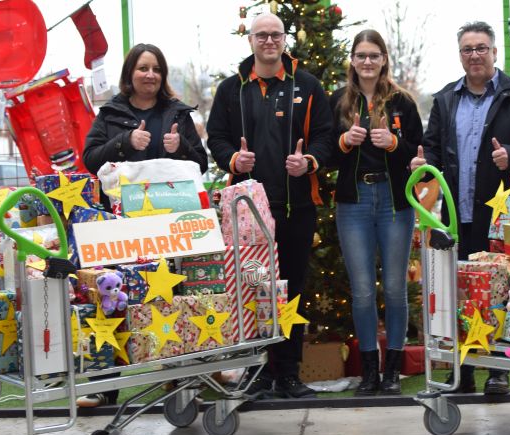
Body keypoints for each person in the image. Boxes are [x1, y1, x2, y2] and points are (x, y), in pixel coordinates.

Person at [410, 21, 510, 395]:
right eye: (467, 49)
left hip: (503, 217)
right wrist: (422, 165)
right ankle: (464, 371)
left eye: (481, 48)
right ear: (460, 55)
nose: (474, 55)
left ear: (494, 52)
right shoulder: (444, 99)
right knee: (461, 294)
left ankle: (499, 371)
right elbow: (432, 149)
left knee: (505, 294)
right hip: (458, 216)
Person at [207, 13, 333, 399]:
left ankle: (289, 374)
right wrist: (233, 160)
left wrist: (308, 160)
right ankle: (260, 370)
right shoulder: (232, 90)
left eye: (275, 35)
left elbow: (327, 137)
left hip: (295, 209)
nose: (268, 41)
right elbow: (216, 138)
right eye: (261, 35)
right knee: (253, 290)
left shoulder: (307, 86)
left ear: (284, 39)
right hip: (247, 212)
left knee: (291, 290)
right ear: (250, 40)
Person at [77, 43, 207, 408]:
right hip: (122, 229)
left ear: (162, 76)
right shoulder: (111, 113)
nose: (150, 75)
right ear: (130, 73)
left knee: (171, 299)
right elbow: (89, 159)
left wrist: (181, 146)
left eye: (156, 69)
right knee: (112, 298)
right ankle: (104, 387)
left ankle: (177, 381)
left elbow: (202, 165)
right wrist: (123, 142)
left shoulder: (179, 114)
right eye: (143, 68)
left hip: (170, 230)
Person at [330, 30, 422, 395]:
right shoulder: (337, 102)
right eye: (361, 55)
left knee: (396, 288)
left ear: (384, 59)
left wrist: (395, 143)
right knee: (364, 290)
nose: (367, 61)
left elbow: (418, 152)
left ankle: (393, 371)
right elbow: (324, 153)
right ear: (352, 60)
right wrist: (343, 142)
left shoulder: (402, 102)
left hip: (394, 202)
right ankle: (370, 370)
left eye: (374, 55)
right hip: (353, 202)